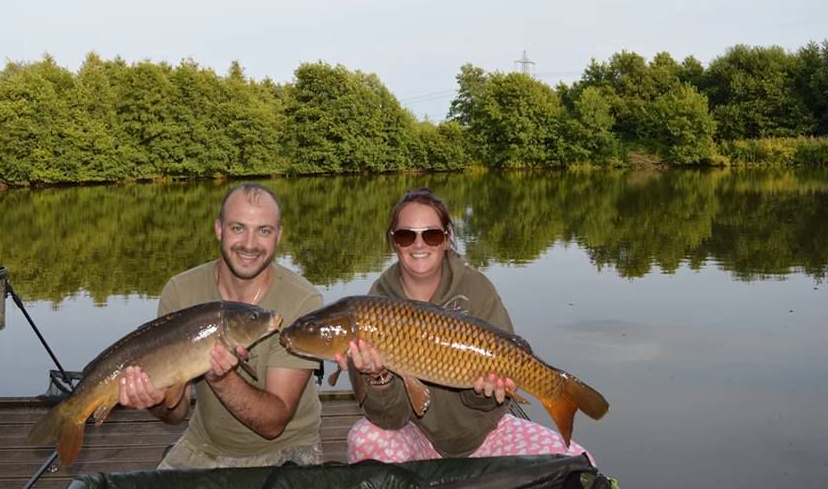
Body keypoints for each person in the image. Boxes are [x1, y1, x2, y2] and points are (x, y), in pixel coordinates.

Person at [335, 187, 592, 463]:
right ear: (394, 242)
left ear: (446, 239)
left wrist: (482, 393)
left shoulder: (476, 288)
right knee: (365, 440)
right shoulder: (375, 305)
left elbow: (493, 402)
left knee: (575, 459)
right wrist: (379, 378)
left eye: (431, 235)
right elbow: (390, 418)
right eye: (406, 235)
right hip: (417, 435)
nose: (419, 245)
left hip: (485, 434)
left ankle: (559, 396)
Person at [118, 183, 323, 469]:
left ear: (278, 236)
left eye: (263, 230)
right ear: (219, 229)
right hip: (204, 443)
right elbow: (175, 413)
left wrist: (221, 379)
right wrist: (156, 401)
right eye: (238, 228)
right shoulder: (180, 291)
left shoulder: (301, 302)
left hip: (287, 447)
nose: (249, 244)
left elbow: (273, 423)